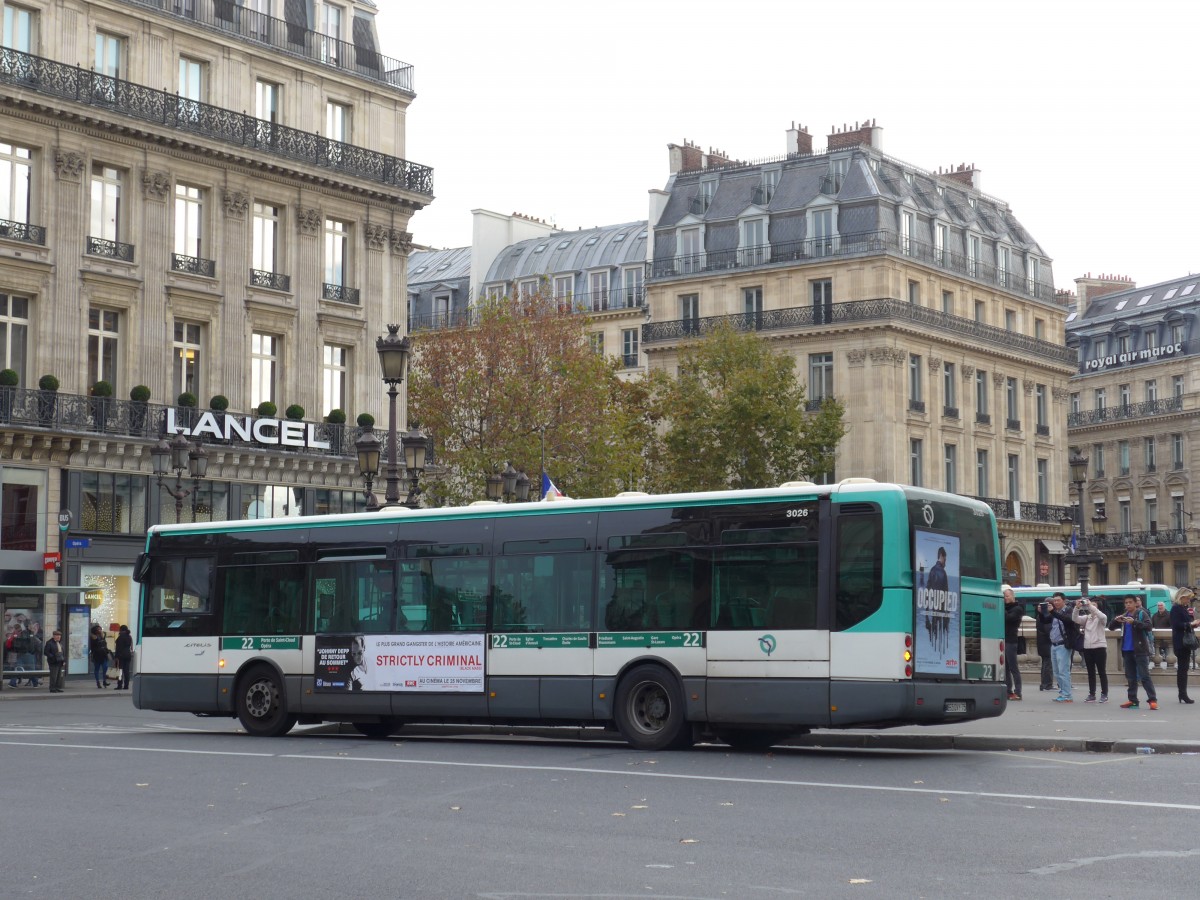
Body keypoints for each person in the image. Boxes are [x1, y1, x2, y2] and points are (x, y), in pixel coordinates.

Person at [1113, 594, 1157, 710]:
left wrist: (1135, 622)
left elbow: (1149, 626)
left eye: (1130, 602)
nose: (1128, 605)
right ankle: (1133, 700)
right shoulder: (1124, 615)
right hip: (1127, 650)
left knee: (1144, 676)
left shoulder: (1141, 613)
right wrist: (1116, 621)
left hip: (1140, 650)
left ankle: (1152, 700)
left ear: (1135, 603)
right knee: (1131, 677)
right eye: (1126, 603)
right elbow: (1111, 627)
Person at [1072, 595, 1109, 703]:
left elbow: (1101, 616)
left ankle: (1104, 693)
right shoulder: (1087, 618)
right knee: (1090, 672)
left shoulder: (1102, 618)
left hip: (1099, 647)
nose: (1090, 607)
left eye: (1094, 606)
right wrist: (1077, 608)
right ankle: (1092, 693)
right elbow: (1075, 619)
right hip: (1088, 647)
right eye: (1090, 606)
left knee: (1102, 671)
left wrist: (1090, 605)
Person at [1169, 588, 1199, 703]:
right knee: (1182, 669)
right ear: (1182, 597)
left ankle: (1182, 694)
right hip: (1180, 642)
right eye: (1187, 598)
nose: (1188, 600)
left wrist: (1193, 624)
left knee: (1184, 669)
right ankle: (1182, 694)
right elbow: (1176, 625)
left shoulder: (1183, 608)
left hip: (1184, 642)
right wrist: (1190, 624)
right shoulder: (1176, 608)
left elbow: (1185, 623)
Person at [1003, 587, 1023, 700]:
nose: (1005, 598)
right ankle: (1008, 691)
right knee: (1005, 668)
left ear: (1012, 596)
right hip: (1003, 639)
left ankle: (1018, 692)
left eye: (1007, 596)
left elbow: (1008, 618)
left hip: (1011, 640)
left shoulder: (1017, 608)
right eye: (1004, 596)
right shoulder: (1005, 608)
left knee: (1013, 667)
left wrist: (1002, 607)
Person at [1033, 598, 1054, 692]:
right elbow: (1048, 629)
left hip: (1042, 643)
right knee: (1048, 664)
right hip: (1046, 643)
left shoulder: (1040, 615)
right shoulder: (1045, 616)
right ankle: (1047, 684)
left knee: (1045, 664)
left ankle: (1044, 684)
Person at [44, 629, 66, 693]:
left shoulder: (60, 643)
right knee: (54, 675)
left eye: (59, 636)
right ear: (53, 636)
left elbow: (63, 652)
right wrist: (53, 657)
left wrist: (64, 660)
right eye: (57, 636)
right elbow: (46, 652)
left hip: (60, 661)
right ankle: (52, 688)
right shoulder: (49, 643)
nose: (58, 637)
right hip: (53, 661)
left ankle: (58, 687)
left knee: (59, 675)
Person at [1151, 601, 1172, 668]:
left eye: (1161, 605)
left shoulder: (1169, 615)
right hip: (1157, 639)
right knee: (1157, 655)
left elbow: (1172, 626)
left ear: (1164, 606)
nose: (1160, 607)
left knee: (1169, 656)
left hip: (1167, 638)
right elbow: (1151, 625)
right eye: (1159, 606)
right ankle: (1157, 667)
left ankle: (1170, 667)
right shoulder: (1154, 615)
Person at [89, 624, 110, 689]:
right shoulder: (93, 638)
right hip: (97, 655)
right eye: (99, 629)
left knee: (105, 668)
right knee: (97, 669)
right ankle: (98, 682)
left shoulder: (102, 637)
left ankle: (104, 681)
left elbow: (105, 645)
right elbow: (93, 646)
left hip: (104, 655)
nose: (101, 630)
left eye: (101, 629)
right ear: (95, 631)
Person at [113, 625, 133, 690]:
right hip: (128, 655)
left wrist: (116, 657)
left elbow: (118, 648)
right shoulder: (129, 636)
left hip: (121, 656)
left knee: (120, 671)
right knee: (126, 671)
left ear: (121, 630)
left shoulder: (120, 637)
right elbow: (131, 647)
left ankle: (119, 685)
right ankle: (126, 685)